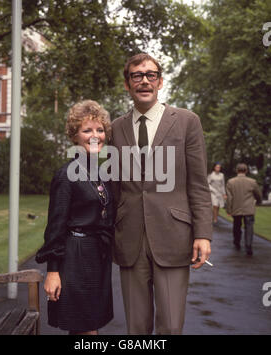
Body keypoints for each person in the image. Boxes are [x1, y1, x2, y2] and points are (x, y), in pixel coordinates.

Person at [111, 53, 213, 335]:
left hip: (173, 237)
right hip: (130, 238)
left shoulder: (186, 121)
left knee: (170, 325)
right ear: (127, 84)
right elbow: (114, 186)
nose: (144, 81)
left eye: (150, 75)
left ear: (160, 81)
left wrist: (203, 234)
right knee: (136, 328)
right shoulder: (116, 128)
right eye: (137, 75)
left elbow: (198, 183)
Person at [35, 100, 114, 335]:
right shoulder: (66, 175)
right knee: (83, 328)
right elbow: (55, 227)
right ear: (75, 136)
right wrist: (52, 272)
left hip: (95, 257)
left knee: (90, 326)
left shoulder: (99, 173)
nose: (95, 135)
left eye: (99, 130)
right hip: (75, 258)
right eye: (87, 130)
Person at [226, 163, 262, 256]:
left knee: (237, 226)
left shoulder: (231, 182)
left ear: (237, 170)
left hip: (236, 208)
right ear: (246, 171)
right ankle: (248, 245)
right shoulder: (252, 181)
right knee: (249, 227)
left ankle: (237, 242)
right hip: (248, 208)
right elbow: (258, 194)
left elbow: (229, 198)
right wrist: (258, 201)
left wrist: (229, 210)